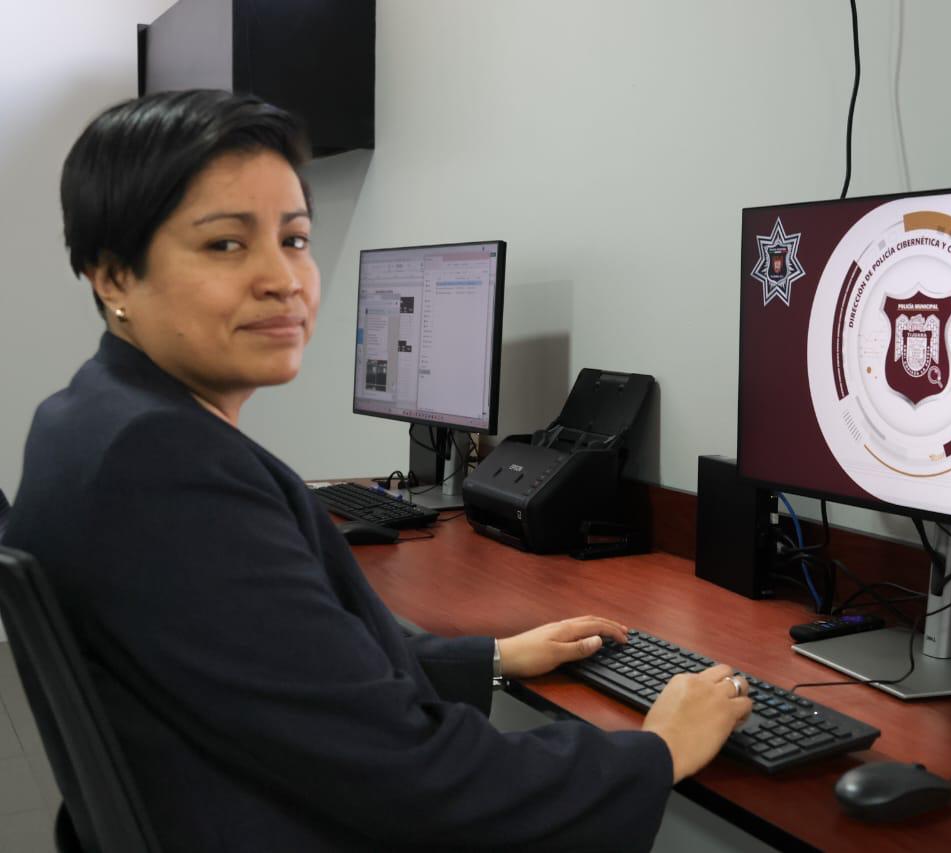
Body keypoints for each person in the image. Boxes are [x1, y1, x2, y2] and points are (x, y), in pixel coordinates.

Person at [4, 90, 751, 852]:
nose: (283, 278)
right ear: (112, 275)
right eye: (226, 244)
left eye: (294, 239)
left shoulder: (88, 419)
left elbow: (294, 665)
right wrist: (656, 751)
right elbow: (420, 780)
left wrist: (494, 656)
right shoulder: (164, 471)